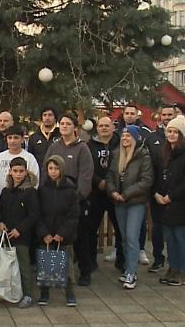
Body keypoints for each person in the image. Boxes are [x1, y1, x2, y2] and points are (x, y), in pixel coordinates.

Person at [42, 113, 95, 286]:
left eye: (68, 124)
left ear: (75, 127)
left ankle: (85, 271)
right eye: (62, 123)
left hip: (74, 199)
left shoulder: (82, 148)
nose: (64, 126)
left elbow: (86, 175)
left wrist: (78, 196)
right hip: (54, 199)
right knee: (57, 237)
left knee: (80, 238)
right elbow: (45, 170)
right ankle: (56, 273)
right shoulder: (54, 147)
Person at [106, 125, 153, 290]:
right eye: (123, 136)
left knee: (132, 238)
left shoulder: (143, 156)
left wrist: (126, 194)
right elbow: (111, 175)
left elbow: (146, 180)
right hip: (119, 202)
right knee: (124, 238)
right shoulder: (116, 154)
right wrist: (112, 191)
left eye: (128, 136)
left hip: (135, 202)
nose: (125, 139)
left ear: (135, 138)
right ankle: (128, 269)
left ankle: (132, 273)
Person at [153, 116, 185, 286]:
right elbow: (159, 175)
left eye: (175, 132)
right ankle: (172, 268)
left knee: (181, 237)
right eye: (169, 131)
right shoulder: (164, 153)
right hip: (164, 203)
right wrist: (157, 193)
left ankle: (182, 271)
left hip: (182, 203)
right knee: (170, 238)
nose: (171, 135)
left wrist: (172, 196)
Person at [0, 156, 39, 308]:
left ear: (26, 172)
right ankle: (7, 291)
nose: (18, 174)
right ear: (10, 172)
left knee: (23, 266)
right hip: (6, 235)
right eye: (15, 171)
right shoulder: (6, 191)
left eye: (21, 171)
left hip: (22, 236)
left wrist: (20, 229)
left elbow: (33, 215)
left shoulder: (30, 192)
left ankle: (27, 294)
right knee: (7, 265)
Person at [36, 155, 80, 306]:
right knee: (45, 264)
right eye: (50, 168)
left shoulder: (70, 190)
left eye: (56, 168)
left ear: (62, 169)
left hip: (63, 236)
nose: (53, 172)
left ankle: (69, 293)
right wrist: (44, 233)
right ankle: (44, 292)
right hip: (47, 233)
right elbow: (38, 214)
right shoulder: (42, 189)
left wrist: (62, 233)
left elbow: (73, 215)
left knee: (66, 265)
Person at [142, 103, 176, 271]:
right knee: (157, 228)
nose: (167, 118)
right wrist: (154, 191)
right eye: (165, 115)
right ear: (160, 116)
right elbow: (147, 167)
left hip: (175, 193)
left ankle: (174, 260)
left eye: (170, 115)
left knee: (173, 228)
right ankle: (158, 258)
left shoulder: (183, 137)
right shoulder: (151, 138)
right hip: (156, 191)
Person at [88, 116, 124, 273]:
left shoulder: (121, 143)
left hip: (116, 193)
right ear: (97, 128)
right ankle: (90, 261)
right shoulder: (90, 145)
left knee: (121, 229)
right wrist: (98, 181)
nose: (103, 128)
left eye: (107, 125)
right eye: (101, 126)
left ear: (113, 127)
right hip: (97, 192)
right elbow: (87, 167)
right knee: (90, 229)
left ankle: (122, 262)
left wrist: (112, 186)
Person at [0, 125, 40, 203]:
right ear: (6, 139)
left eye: (16, 137)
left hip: (24, 203)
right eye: (10, 138)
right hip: (0, 201)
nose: (12, 141)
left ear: (22, 139)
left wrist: (27, 198)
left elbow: (35, 180)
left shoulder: (29, 158)